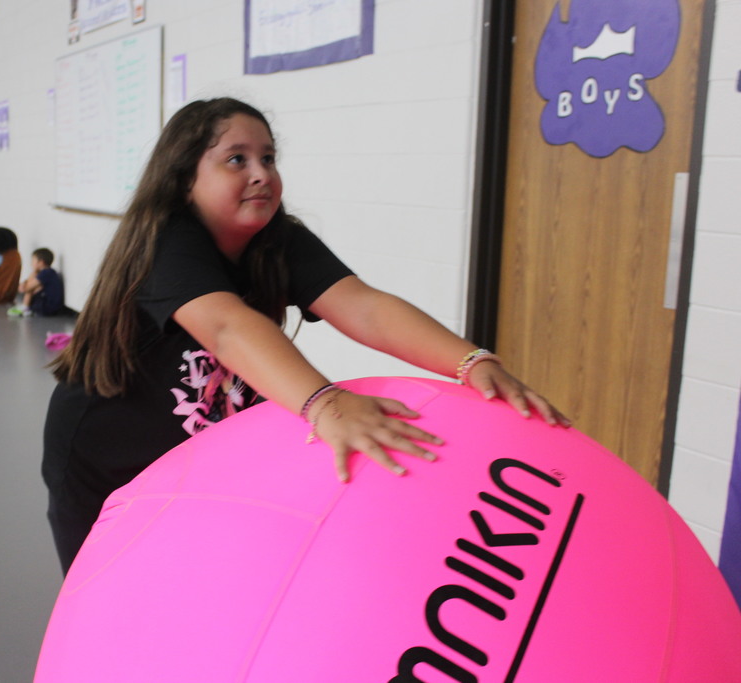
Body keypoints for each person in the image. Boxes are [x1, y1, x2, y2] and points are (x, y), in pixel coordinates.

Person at [42, 98, 570, 574]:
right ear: (185, 180)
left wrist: (471, 360)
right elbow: (227, 327)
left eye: (268, 158)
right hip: (103, 453)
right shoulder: (168, 241)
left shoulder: (279, 241)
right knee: (112, 587)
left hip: (189, 452)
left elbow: (364, 308)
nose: (260, 174)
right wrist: (327, 403)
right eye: (236, 159)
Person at [8, 248, 67, 317]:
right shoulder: (49, 272)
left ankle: (25, 307)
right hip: (51, 307)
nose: (31, 263)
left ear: (41, 262)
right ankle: (25, 306)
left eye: (33, 261)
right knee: (33, 285)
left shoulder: (46, 273)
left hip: (47, 308)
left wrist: (34, 272)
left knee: (31, 286)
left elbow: (25, 289)